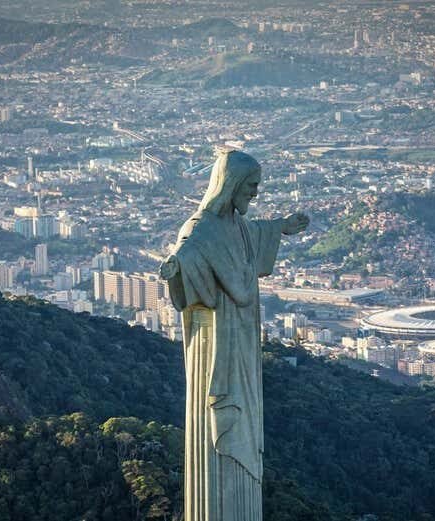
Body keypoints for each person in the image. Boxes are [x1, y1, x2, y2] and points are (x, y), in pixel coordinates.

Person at [159, 149, 308, 521]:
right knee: (219, 426)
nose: (255, 194)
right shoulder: (200, 229)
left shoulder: (236, 224)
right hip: (216, 346)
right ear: (232, 185)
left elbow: (253, 236)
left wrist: (282, 227)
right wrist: (176, 267)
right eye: (252, 186)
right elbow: (187, 253)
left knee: (244, 425)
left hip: (241, 339)